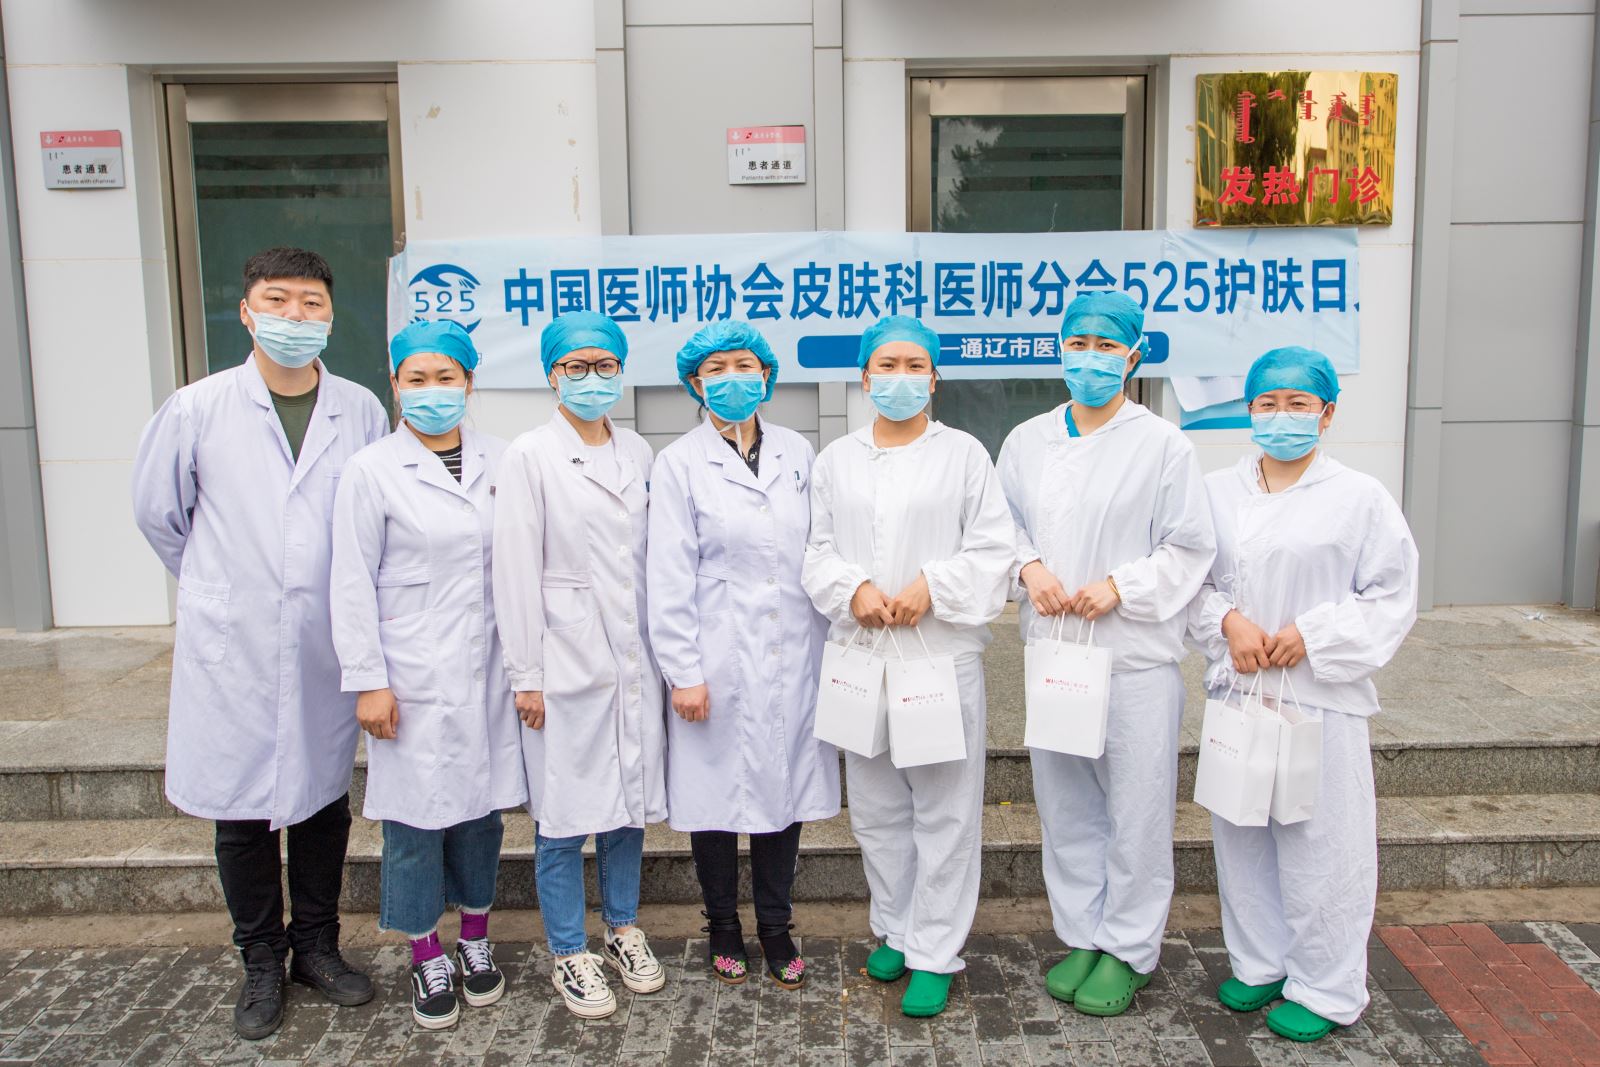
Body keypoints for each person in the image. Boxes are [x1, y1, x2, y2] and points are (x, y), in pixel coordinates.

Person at [131, 247, 386, 1039]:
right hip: (233, 642)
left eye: (311, 302)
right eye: (277, 300)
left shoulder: (360, 410)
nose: (294, 317)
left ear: (331, 315)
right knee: (241, 810)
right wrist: (227, 584)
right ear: (246, 311)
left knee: (322, 798)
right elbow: (159, 516)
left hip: (322, 643)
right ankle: (261, 960)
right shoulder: (196, 408)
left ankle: (318, 945)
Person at [1188, 346, 1418, 1042]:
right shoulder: (1215, 492)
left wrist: (1313, 634)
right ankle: (1260, 961)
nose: (1281, 415)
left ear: (1327, 413)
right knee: (1242, 831)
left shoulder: (1359, 497)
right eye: (1267, 403)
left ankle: (1326, 984)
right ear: (1248, 410)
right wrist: (1227, 622)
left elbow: (1391, 593)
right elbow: (1190, 580)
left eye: (1298, 403)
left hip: (1320, 696)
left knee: (1322, 843)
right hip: (1240, 688)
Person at [998, 290, 1216, 1018]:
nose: (1089, 357)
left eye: (1105, 345)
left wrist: (1122, 586)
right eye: (1077, 343)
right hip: (1056, 651)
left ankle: (1128, 946)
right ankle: (1083, 933)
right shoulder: (1027, 440)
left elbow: (1189, 546)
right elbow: (1001, 525)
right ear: (1059, 349)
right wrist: (1029, 567)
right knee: (1066, 803)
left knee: (1137, 806)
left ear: (1133, 355)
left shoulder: (1163, 445)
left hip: (1132, 658)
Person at [801, 315, 1014, 1018]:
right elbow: (816, 550)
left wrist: (934, 585)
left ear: (934, 378)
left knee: (945, 811)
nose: (900, 378)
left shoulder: (964, 455)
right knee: (876, 808)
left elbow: (993, 549)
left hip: (937, 658)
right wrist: (851, 589)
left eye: (914, 365)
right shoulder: (836, 459)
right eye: (886, 365)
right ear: (864, 378)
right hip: (862, 657)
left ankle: (934, 950)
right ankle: (894, 924)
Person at [329, 320, 526, 1030]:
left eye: (446, 377)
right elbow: (351, 581)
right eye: (417, 378)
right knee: (413, 822)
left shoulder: (504, 459)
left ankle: (474, 938)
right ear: (396, 385)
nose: (432, 391)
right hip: (408, 672)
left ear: (470, 382)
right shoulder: (371, 469)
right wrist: (368, 680)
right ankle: (424, 951)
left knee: (480, 815)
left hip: (488, 666)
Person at [647, 320, 838, 989]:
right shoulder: (678, 462)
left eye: (745, 365)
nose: (733, 378)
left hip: (793, 653)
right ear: (695, 383)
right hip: (716, 658)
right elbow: (667, 573)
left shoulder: (798, 452)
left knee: (783, 793)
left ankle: (777, 926)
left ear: (767, 376)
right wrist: (683, 671)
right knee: (716, 798)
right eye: (717, 368)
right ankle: (723, 924)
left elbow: (819, 550)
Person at [492, 310, 668, 1020]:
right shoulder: (529, 454)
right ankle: (569, 950)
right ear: (552, 374)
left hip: (631, 657)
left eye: (605, 365)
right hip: (562, 658)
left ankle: (623, 928)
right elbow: (514, 570)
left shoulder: (639, 452)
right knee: (562, 816)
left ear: (621, 371)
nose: (592, 377)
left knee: (627, 805)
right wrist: (526, 675)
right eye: (577, 366)